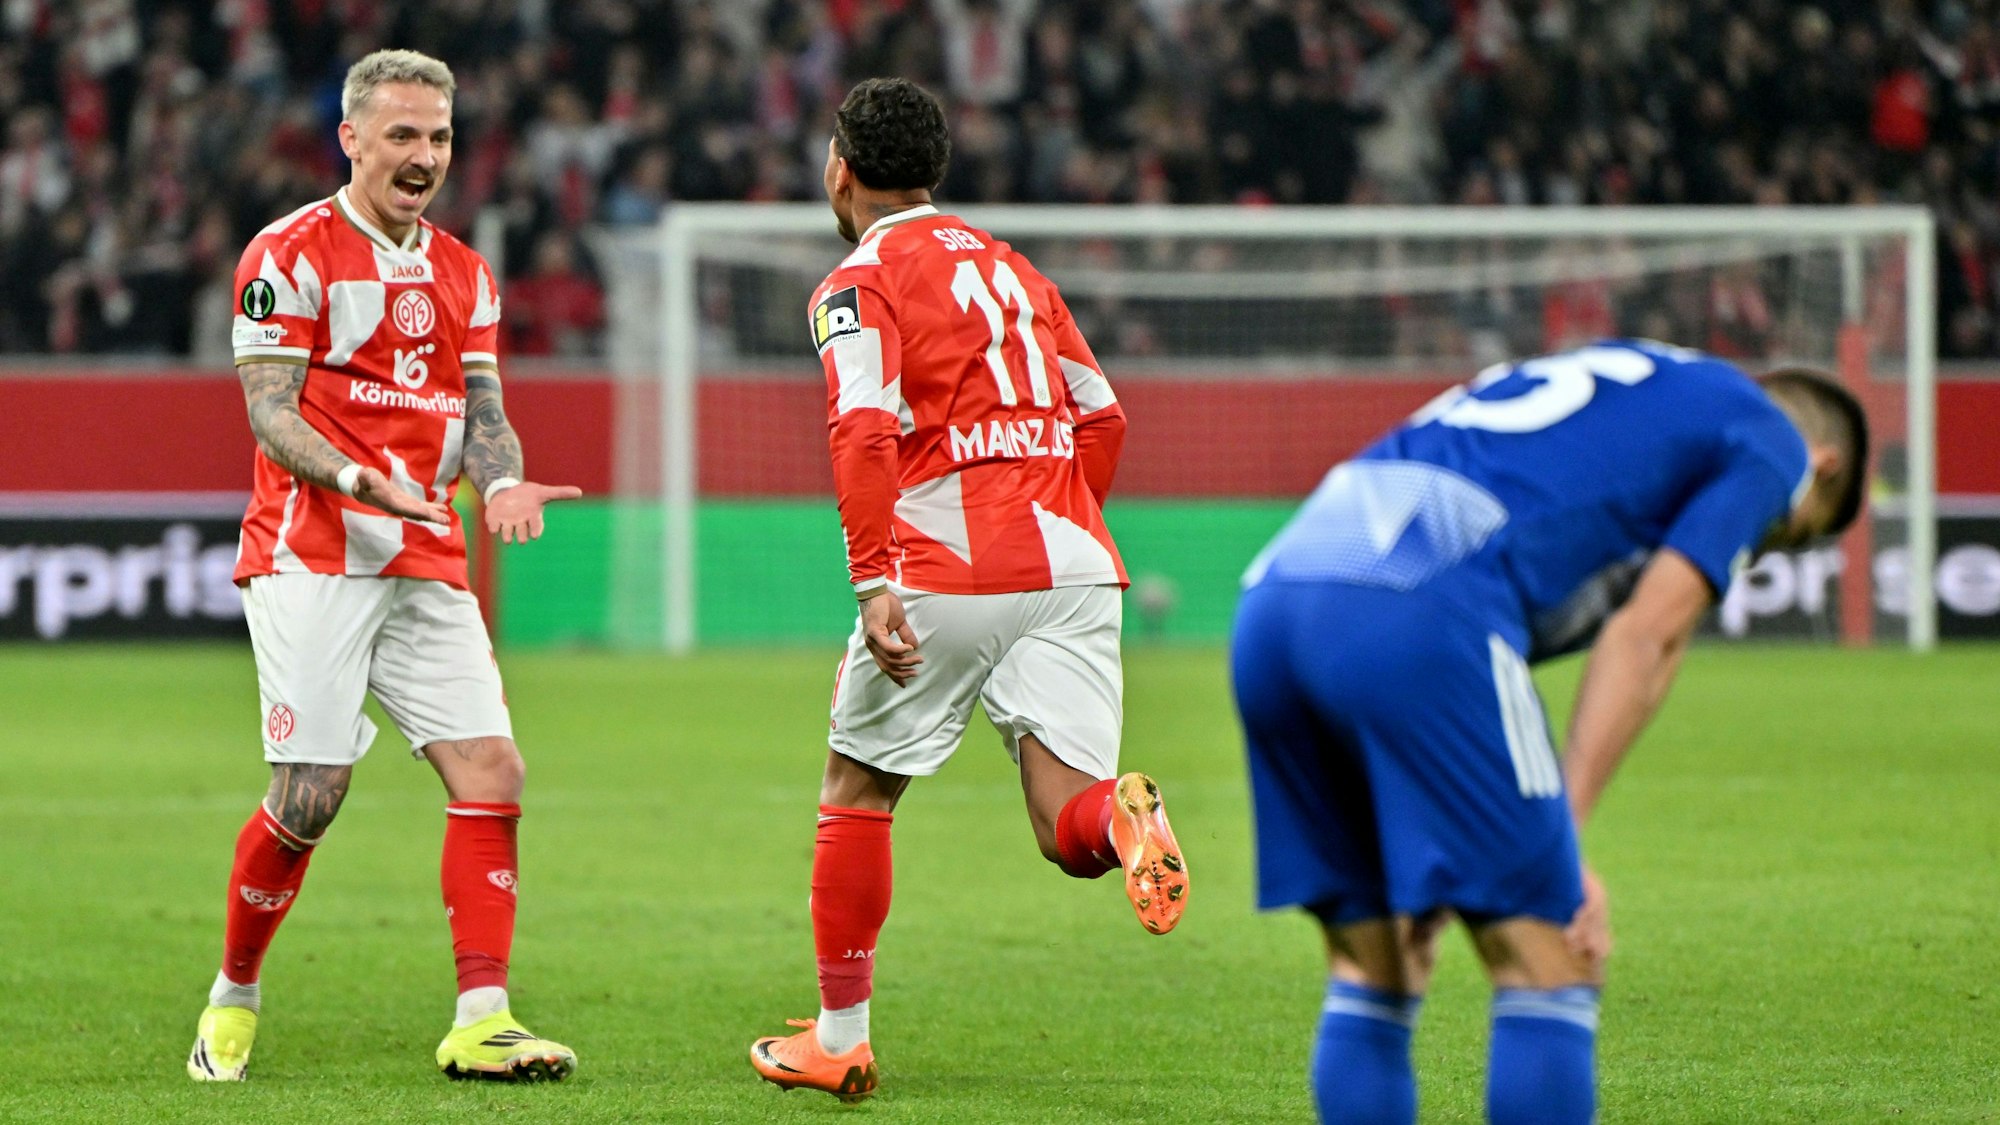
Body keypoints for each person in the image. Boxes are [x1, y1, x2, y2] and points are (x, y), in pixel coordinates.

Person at [1230, 341, 1868, 1124]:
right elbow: (1646, 637)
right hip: (1420, 600)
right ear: (1825, 466)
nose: (1771, 540)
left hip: (1275, 597)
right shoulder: (1773, 443)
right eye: (1796, 532)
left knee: (1376, 967)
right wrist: (1560, 846)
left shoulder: (1643, 380)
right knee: (1552, 957)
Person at [747, 77, 1190, 1104]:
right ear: (936, 171)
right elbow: (1103, 416)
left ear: (838, 170)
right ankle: (1123, 823)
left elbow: (861, 428)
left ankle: (840, 1039)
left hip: (945, 562)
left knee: (857, 791)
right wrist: (1056, 519)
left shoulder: (854, 286)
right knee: (1063, 827)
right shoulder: (1015, 269)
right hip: (1076, 561)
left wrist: (872, 581)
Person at [185, 49, 582, 1084]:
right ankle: (235, 992)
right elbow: (271, 413)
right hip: (312, 552)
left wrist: (499, 485)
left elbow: (484, 411)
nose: (423, 157)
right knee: (312, 790)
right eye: (401, 136)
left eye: (439, 138)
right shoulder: (292, 253)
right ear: (350, 139)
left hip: (424, 553)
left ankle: (482, 1017)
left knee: (492, 769)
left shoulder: (465, 272)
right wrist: (366, 484)